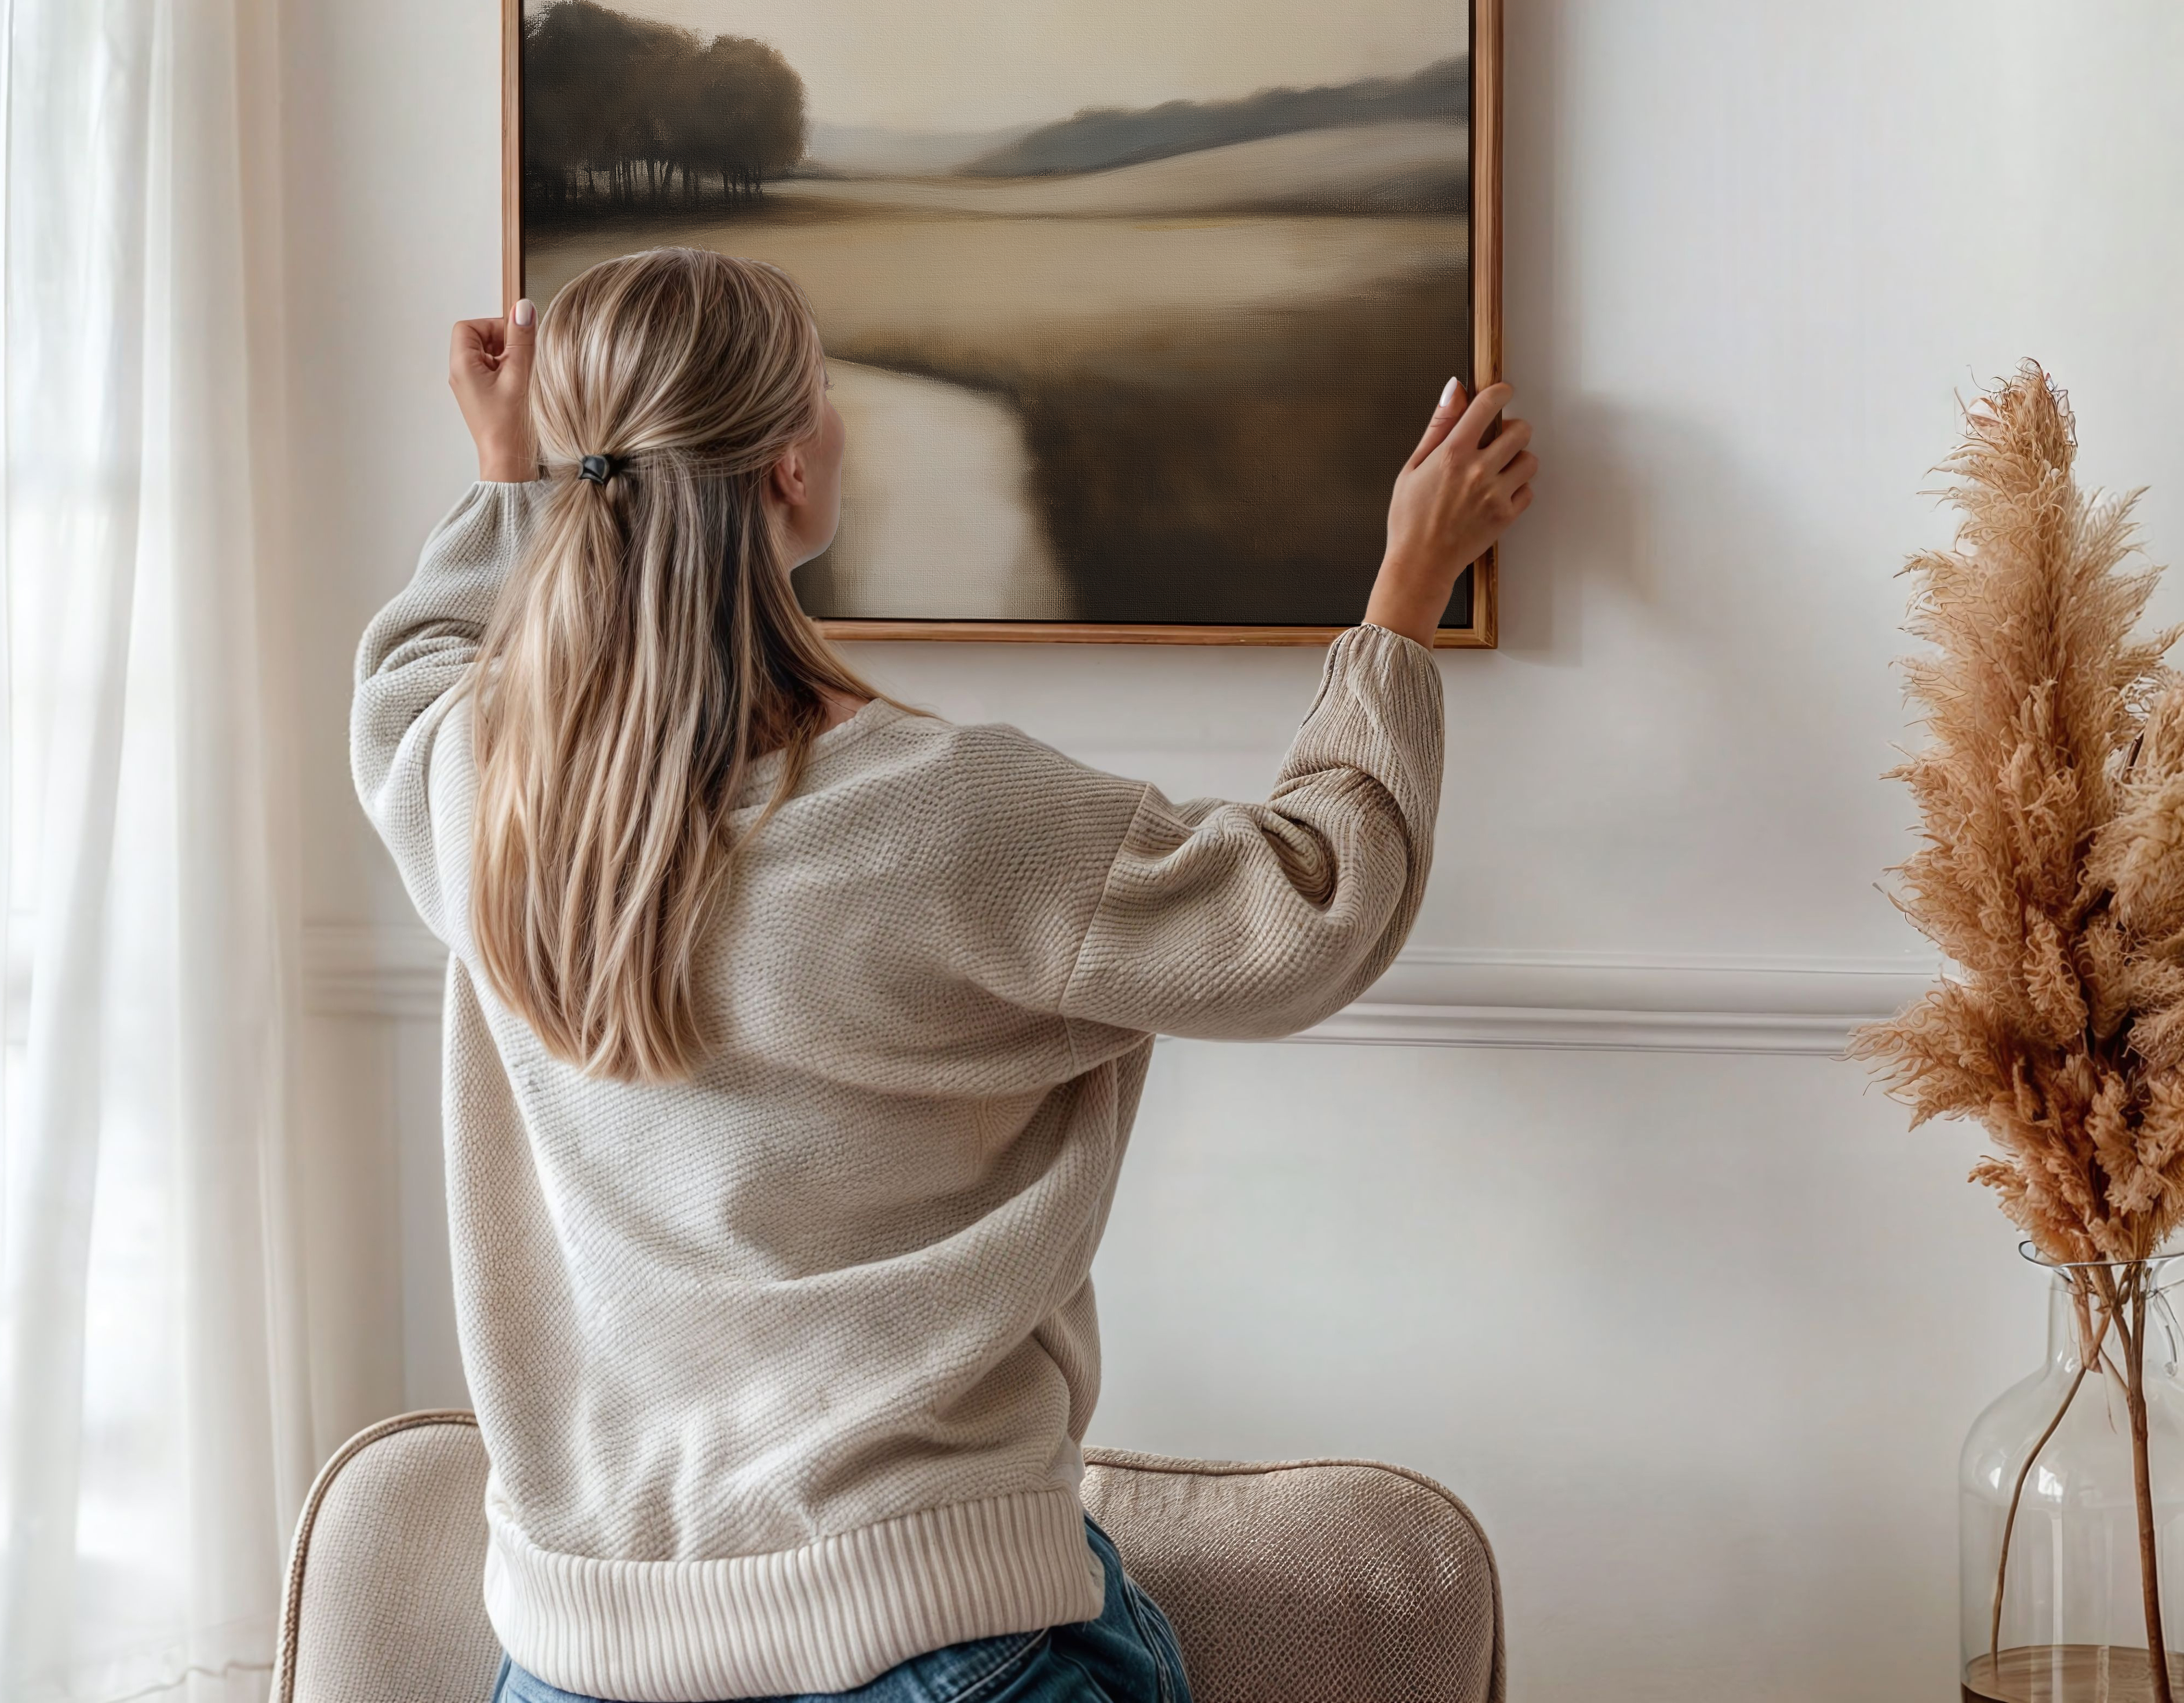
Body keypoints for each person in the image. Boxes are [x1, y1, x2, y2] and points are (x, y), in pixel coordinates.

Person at [352, 245, 1537, 1703]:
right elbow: (1310, 906)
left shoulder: (480, 793)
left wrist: (507, 483)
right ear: (790, 471)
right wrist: (1404, 595)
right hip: (930, 1642)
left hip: (573, 1664)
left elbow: (407, 672)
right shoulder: (942, 816)